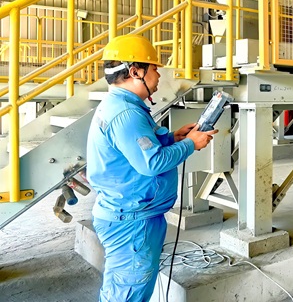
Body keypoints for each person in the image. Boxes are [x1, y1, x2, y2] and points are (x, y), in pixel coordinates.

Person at [86, 34, 217, 302]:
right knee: (128, 293)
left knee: (124, 288)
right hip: (132, 222)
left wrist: (174, 138)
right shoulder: (126, 114)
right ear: (135, 71)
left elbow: (137, 148)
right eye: (155, 68)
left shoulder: (122, 106)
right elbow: (152, 162)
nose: (158, 76)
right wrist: (190, 144)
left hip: (131, 214)